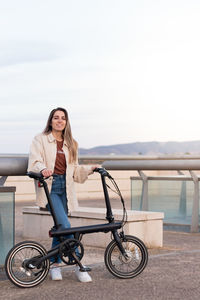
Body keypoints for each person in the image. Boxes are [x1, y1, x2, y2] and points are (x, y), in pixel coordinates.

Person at [28, 107, 98, 282]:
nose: (59, 121)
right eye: (56, 117)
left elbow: (74, 170)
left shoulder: (72, 143)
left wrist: (90, 169)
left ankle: (55, 265)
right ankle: (79, 267)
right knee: (66, 227)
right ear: (50, 121)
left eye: (63, 118)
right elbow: (34, 161)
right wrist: (43, 169)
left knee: (61, 228)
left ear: (66, 122)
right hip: (50, 187)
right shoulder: (40, 139)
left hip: (66, 189)